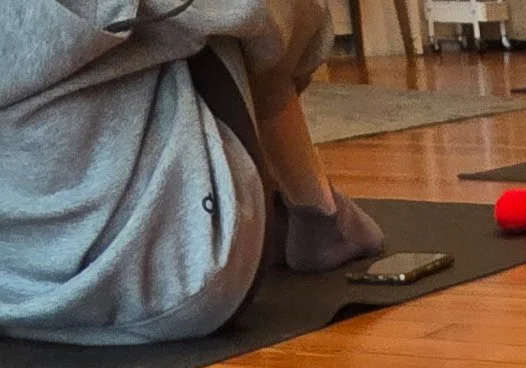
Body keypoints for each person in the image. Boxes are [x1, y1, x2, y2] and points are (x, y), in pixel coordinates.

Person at [0, 0, 383, 348]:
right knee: (240, 25)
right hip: (172, 275)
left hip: (14, 290)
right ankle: (318, 213)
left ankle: (305, 213)